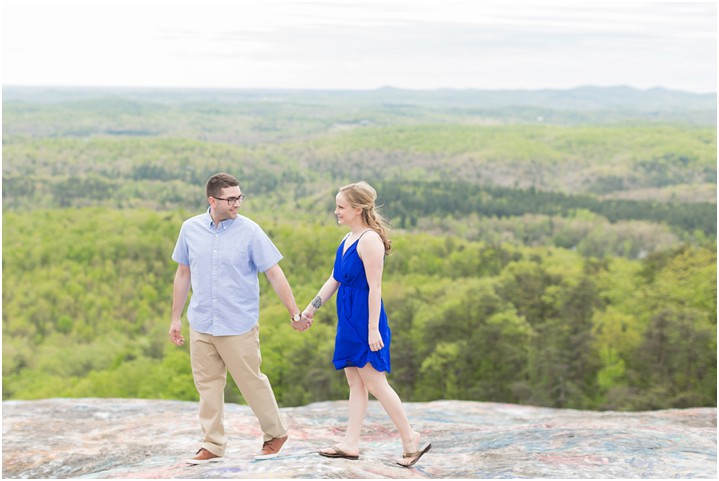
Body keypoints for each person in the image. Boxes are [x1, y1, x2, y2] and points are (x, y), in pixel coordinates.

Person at [169, 172, 311, 465]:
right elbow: (183, 273)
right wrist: (175, 319)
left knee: (251, 381)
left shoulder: (250, 231)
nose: (237, 203)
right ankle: (213, 443)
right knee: (207, 386)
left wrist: (294, 312)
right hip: (202, 322)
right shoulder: (190, 229)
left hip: (238, 325)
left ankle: (275, 434)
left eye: (239, 197)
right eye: (231, 198)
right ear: (212, 200)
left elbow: (274, 272)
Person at [302, 181, 431, 468]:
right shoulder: (347, 239)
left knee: (374, 382)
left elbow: (375, 288)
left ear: (358, 209)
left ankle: (410, 438)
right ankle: (350, 443)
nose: (336, 211)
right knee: (354, 381)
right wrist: (311, 309)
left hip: (365, 318)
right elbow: (334, 278)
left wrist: (373, 329)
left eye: (341, 207)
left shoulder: (369, 240)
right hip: (347, 317)